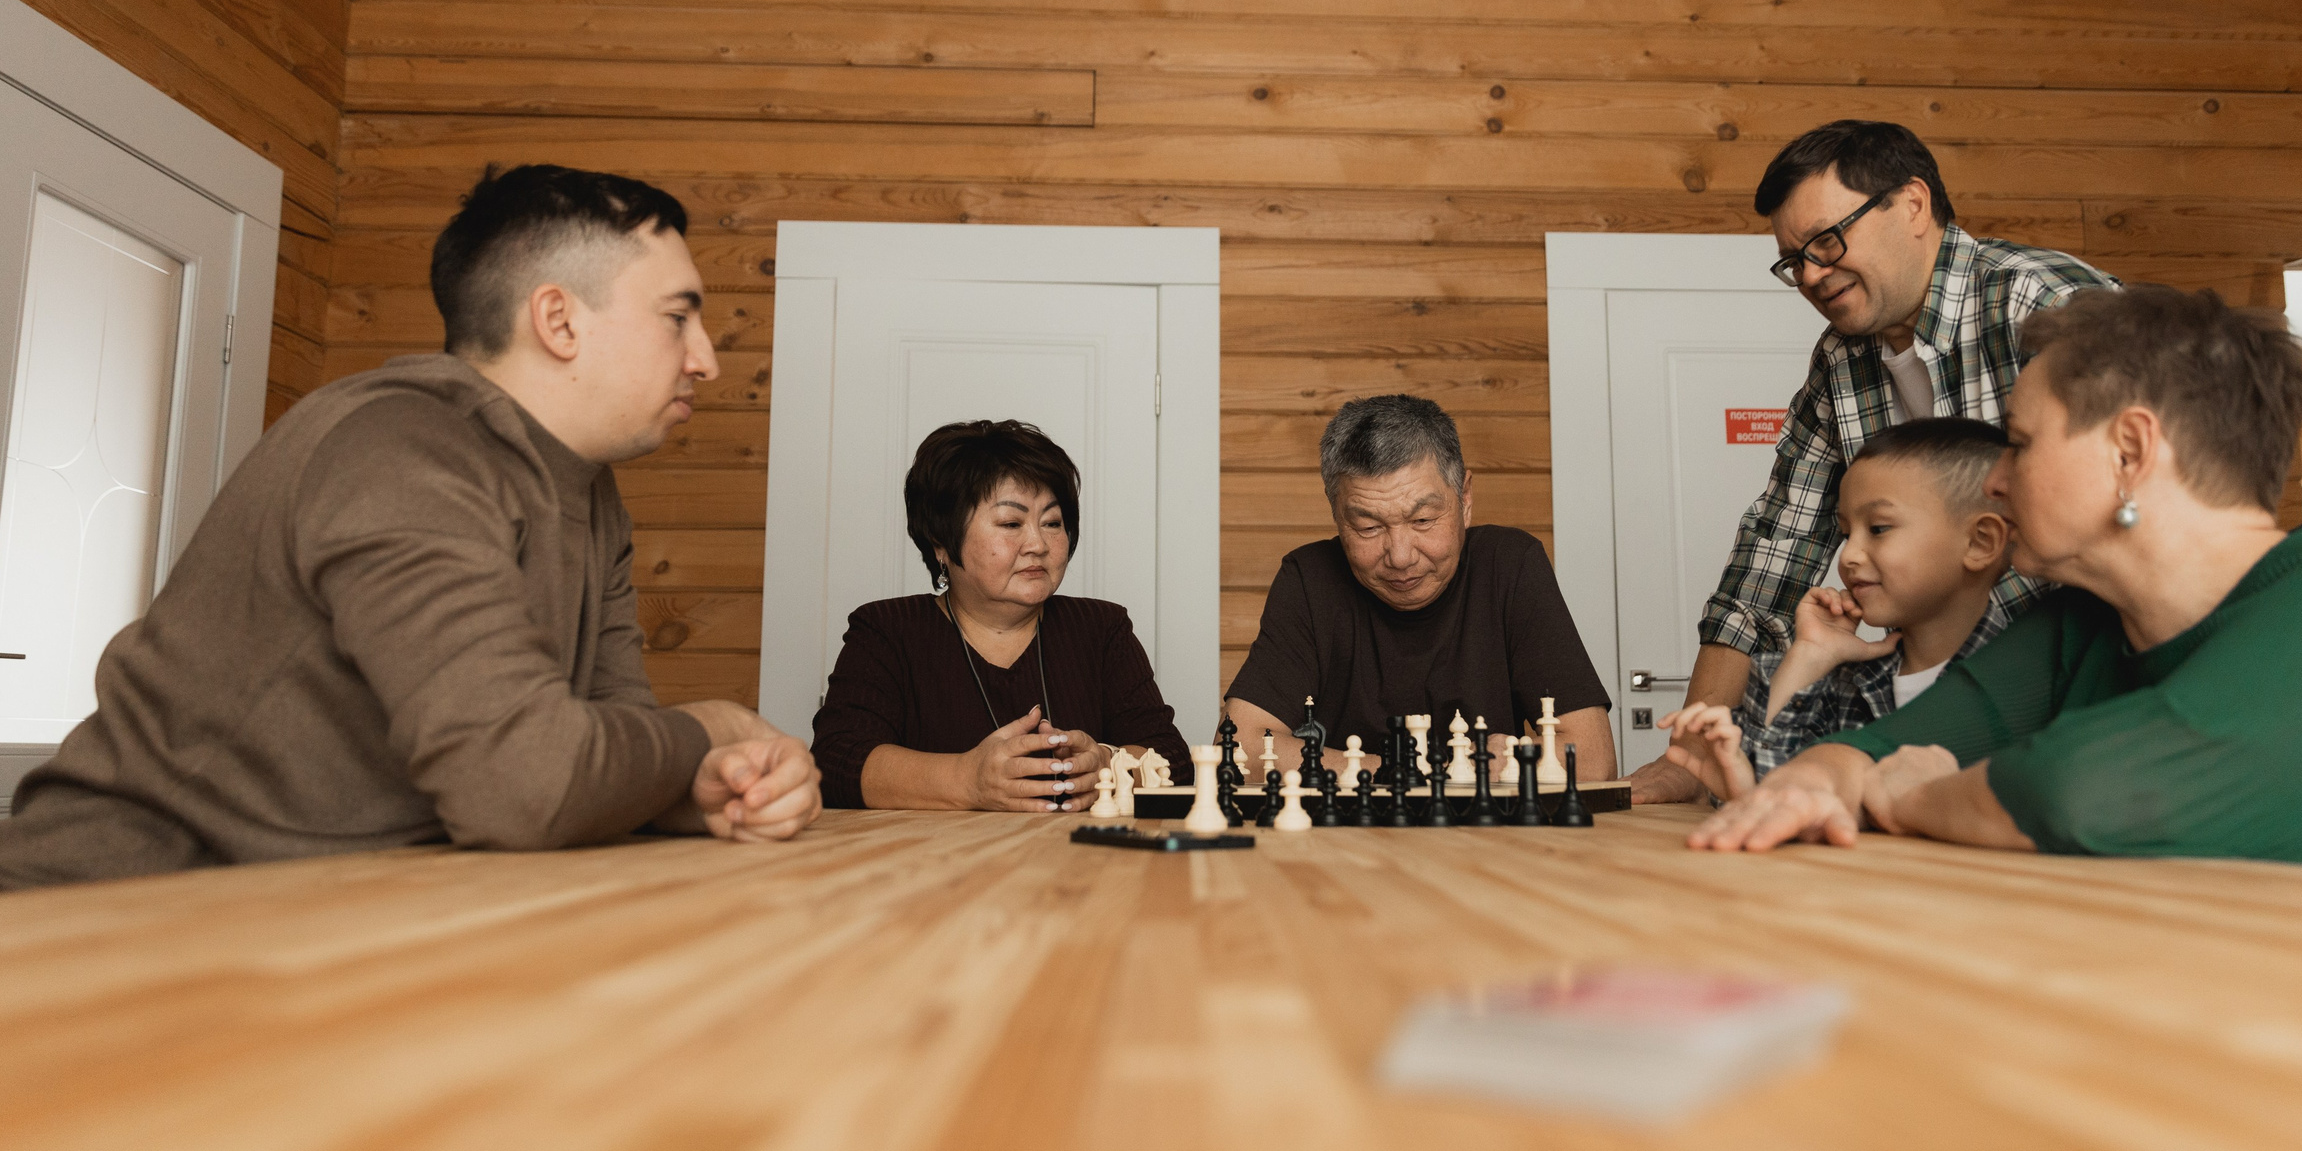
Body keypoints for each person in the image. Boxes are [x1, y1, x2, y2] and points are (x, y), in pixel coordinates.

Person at [0, 164, 821, 891]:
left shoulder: (591, 495)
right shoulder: (397, 449)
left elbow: (606, 753)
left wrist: (716, 781)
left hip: (325, 925)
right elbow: (527, 783)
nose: (706, 357)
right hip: (99, 919)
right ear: (559, 320)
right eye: (679, 316)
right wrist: (711, 726)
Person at [1686, 285, 2302, 886]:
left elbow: (2086, 792)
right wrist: (1818, 780)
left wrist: (1914, 797)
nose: (1994, 480)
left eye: (2019, 443)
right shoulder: (2080, 626)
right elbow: (1872, 752)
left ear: (2129, 452)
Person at [1635, 120, 2115, 804]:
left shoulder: (2042, 305)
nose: (1809, 275)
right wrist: (1686, 757)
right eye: (1792, 260)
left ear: (1913, 205)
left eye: (1827, 242)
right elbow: (1771, 555)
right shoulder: (1838, 361)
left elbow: (2123, 526)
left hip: (2081, 698)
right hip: (1949, 710)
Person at [1226, 394, 1616, 781]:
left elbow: (1594, 761)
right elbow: (1240, 747)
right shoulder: (1309, 578)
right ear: (1336, 515)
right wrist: (1436, 771)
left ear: (1464, 499)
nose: (1400, 556)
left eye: (1423, 520)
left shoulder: (1510, 565)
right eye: (1368, 527)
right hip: (1347, 838)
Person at [810, 420, 1191, 810]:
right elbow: (835, 763)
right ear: (941, 541)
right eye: (1011, 523)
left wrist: (1108, 768)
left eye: (1052, 522)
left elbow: (1173, 758)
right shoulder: (887, 631)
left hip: (1077, 865)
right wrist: (965, 780)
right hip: (930, 865)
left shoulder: (1101, 628)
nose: (1038, 544)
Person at [1668, 418, 2015, 793]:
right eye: (1847, 533)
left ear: (1981, 543)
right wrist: (1809, 656)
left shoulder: (2031, 683)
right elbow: (1762, 796)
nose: (1848, 556)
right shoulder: (1840, 685)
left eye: (1879, 528)